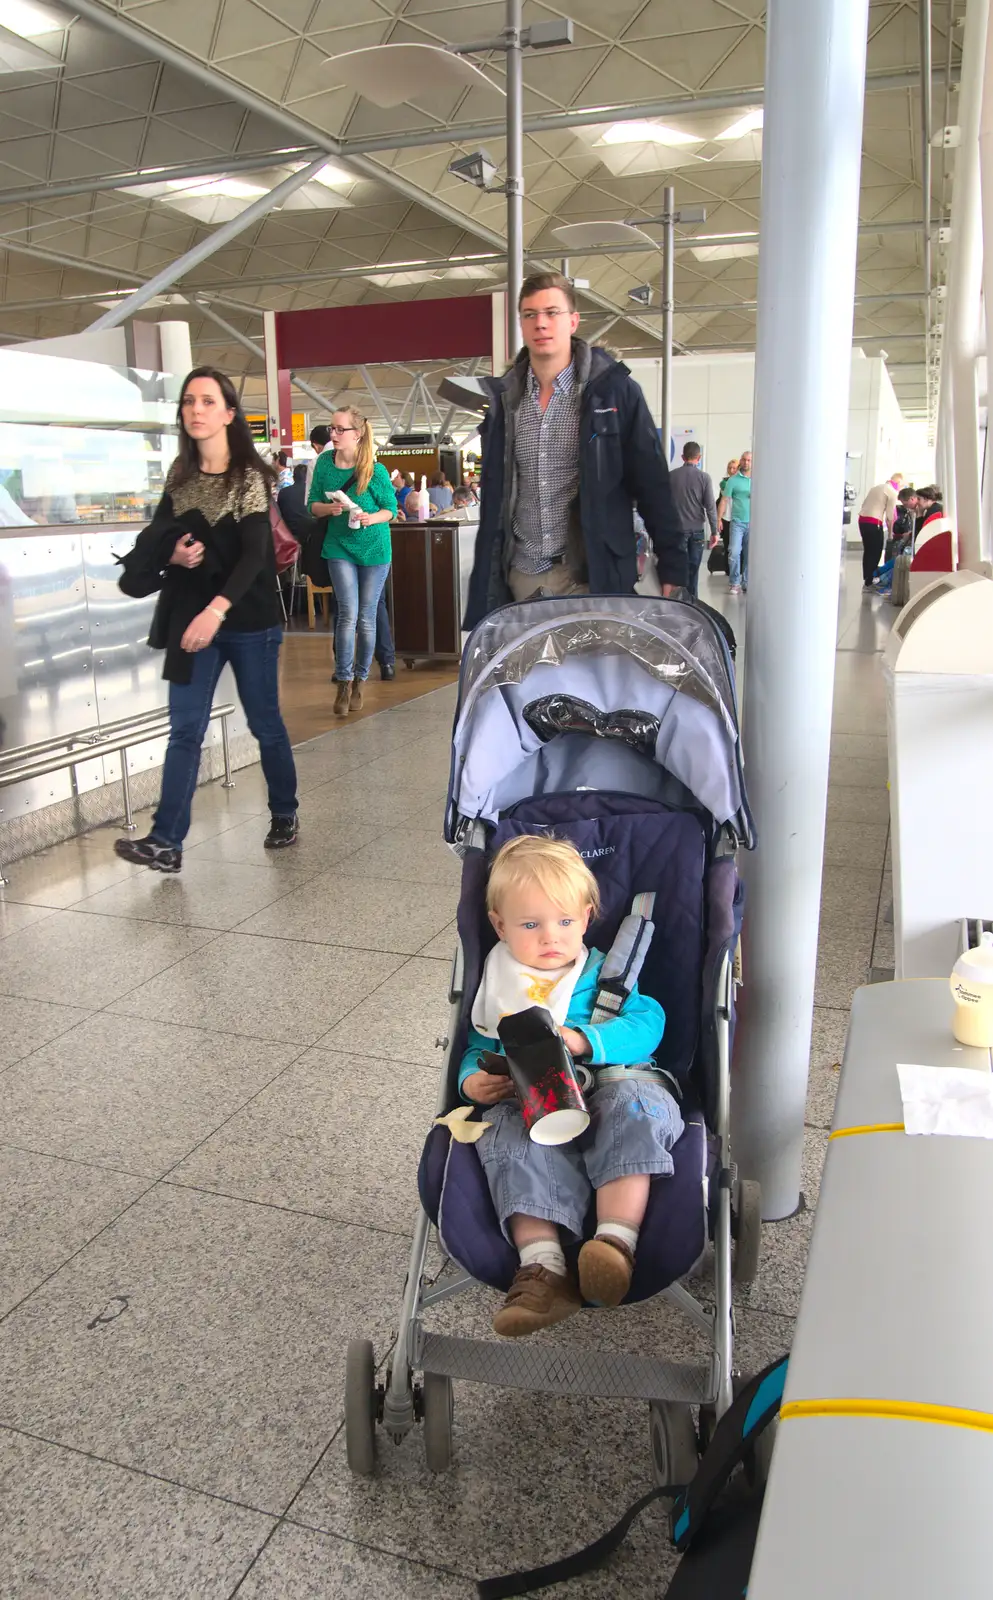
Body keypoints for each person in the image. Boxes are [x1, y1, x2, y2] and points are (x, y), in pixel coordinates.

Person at [460, 835, 683, 1337]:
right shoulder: (501, 982)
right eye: (530, 924)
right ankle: (542, 1270)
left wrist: (586, 1039)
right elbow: (480, 1046)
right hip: (535, 1104)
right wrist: (473, 1081)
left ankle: (613, 1243)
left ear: (585, 918)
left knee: (635, 1108)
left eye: (565, 922)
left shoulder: (604, 971)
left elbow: (649, 1023)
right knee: (506, 1136)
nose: (550, 937)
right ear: (499, 926)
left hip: (614, 1084)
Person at [114, 366, 298, 873]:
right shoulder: (179, 477)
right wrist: (171, 556)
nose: (196, 410)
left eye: (208, 402)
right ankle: (166, 841)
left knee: (264, 723)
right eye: (189, 401)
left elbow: (254, 557)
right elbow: (155, 542)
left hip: (248, 620)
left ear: (229, 413)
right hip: (188, 618)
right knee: (185, 730)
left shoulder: (250, 478)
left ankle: (284, 810)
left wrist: (215, 613)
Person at [464, 271, 686, 626]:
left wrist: (674, 564)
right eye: (530, 314)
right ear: (521, 322)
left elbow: (652, 485)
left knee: (594, 680)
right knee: (532, 682)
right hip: (522, 579)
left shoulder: (614, 393)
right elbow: (495, 499)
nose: (541, 324)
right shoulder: (505, 403)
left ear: (573, 321)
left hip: (591, 575)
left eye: (552, 313)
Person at [308, 405, 398, 716]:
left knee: (366, 617)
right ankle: (343, 682)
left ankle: (361, 678)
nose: (332, 434)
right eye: (331, 428)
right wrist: (327, 509)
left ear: (357, 435)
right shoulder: (324, 464)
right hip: (339, 546)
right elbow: (312, 505)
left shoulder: (374, 470)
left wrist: (371, 518)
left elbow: (390, 509)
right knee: (347, 613)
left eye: (339, 429)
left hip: (374, 548)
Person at [667, 441, 718, 599]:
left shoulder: (671, 476)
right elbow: (710, 506)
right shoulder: (704, 478)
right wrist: (714, 531)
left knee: (678, 568)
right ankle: (692, 603)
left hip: (677, 530)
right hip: (696, 530)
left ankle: (678, 602)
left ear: (683, 456)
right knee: (693, 569)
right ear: (699, 457)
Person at [858, 475, 900, 591]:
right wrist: (891, 535)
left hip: (862, 521)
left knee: (868, 551)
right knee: (875, 552)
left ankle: (867, 579)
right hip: (874, 522)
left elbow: (864, 505)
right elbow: (890, 517)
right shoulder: (892, 493)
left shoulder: (875, 488)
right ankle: (869, 582)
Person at [722, 451, 752, 596]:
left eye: (749, 460)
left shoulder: (758, 479)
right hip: (737, 522)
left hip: (753, 523)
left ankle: (746, 582)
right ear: (741, 461)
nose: (746, 463)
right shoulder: (733, 480)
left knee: (749, 554)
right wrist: (717, 520)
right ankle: (734, 582)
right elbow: (724, 500)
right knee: (734, 552)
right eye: (744, 460)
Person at [718, 458, 738, 555]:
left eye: (734, 468)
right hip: (726, 518)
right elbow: (720, 501)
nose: (731, 470)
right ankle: (728, 569)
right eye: (729, 468)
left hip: (738, 518)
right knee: (727, 547)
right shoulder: (724, 483)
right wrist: (719, 519)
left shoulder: (743, 482)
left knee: (737, 548)